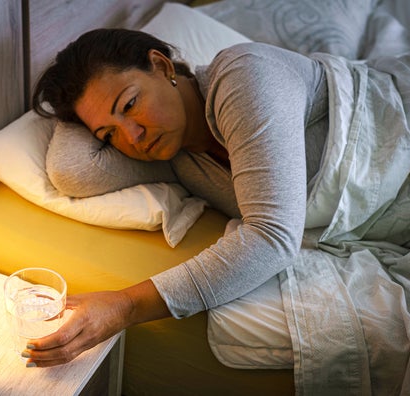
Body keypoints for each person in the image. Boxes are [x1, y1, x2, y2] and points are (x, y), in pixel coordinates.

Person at [23, 28, 330, 367]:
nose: (133, 137)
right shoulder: (175, 159)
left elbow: (273, 237)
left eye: (129, 104)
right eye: (109, 135)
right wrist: (74, 110)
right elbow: (72, 172)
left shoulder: (242, 76)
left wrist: (125, 306)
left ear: (162, 66)